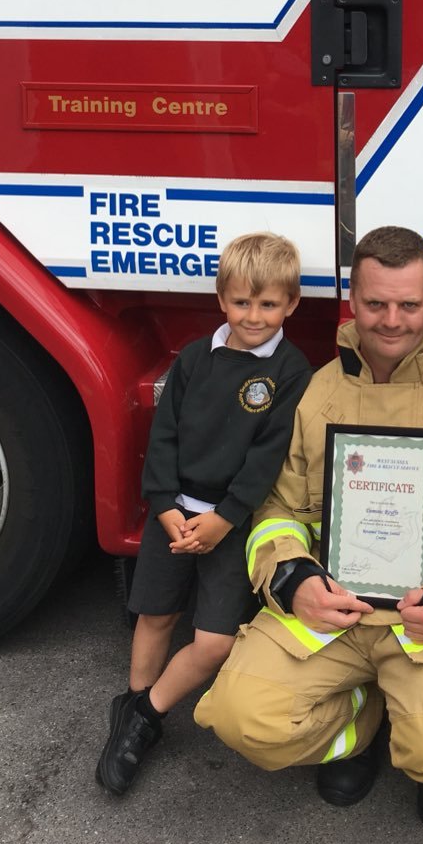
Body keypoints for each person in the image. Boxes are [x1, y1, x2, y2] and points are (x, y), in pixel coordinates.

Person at [194, 226, 423, 829]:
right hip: (332, 614)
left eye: (410, 305)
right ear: (351, 299)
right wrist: (292, 580)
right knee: (237, 718)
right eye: (375, 303)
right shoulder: (317, 393)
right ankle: (361, 725)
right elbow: (277, 509)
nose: (392, 321)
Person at [96, 232, 312, 795]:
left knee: (214, 641)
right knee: (155, 615)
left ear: (291, 304)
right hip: (173, 514)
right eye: (242, 302)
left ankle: (147, 713)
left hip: (230, 527)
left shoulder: (291, 371)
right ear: (222, 300)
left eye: (268, 304)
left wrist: (225, 518)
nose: (254, 315)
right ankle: (132, 715)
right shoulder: (195, 359)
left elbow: (269, 456)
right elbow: (162, 436)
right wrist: (164, 506)